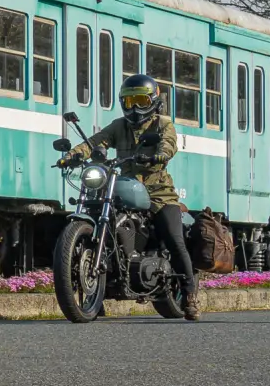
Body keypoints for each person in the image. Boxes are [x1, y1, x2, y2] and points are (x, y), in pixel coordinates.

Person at [56, 73, 200, 321]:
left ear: (154, 101)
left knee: (173, 237)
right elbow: (95, 142)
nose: (134, 107)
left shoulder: (163, 124)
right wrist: (73, 155)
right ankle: (96, 294)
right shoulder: (118, 126)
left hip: (158, 192)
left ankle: (189, 296)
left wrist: (158, 155)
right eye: (129, 101)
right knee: (98, 211)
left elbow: (169, 144)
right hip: (124, 185)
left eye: (141, 101)